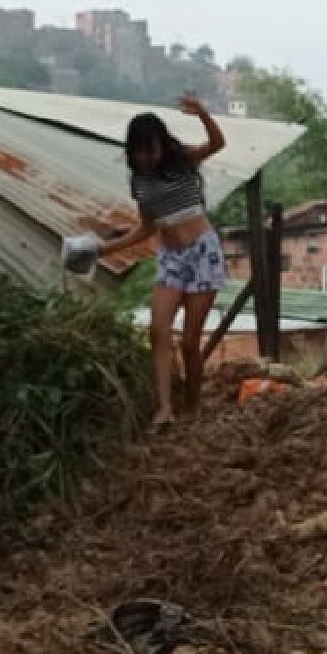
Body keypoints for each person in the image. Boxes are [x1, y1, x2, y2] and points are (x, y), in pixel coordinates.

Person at [99, 94, 227, 427]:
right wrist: (106, 249)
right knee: (158, 331)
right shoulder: (139, 182)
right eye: (139, 152)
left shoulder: (184, 161)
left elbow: (217, 143)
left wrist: (203, 113)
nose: (146, 157)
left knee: (189, 342)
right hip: (171, 258)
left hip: (202, 253)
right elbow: (147, 227)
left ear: (162, 145)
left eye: (151, 150)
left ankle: (193, 406)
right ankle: (165, 408)